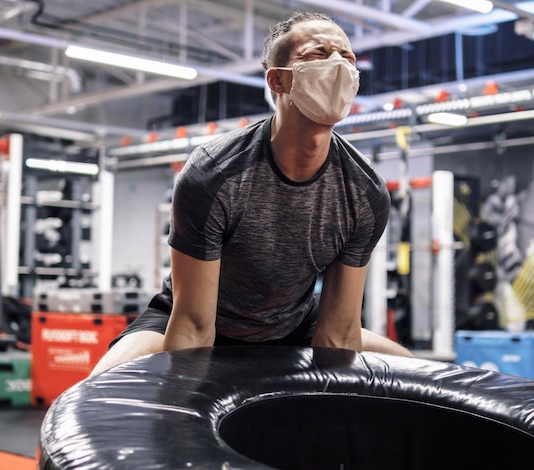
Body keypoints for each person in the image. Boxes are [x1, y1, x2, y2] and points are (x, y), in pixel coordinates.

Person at [91, 11, 412, 376]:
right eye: (318, 54)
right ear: (278, 81)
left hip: (293, 324)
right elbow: (195, 325)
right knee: (91, 395)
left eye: (348, 58)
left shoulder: (364, 192)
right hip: (193, 316)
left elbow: (337, 333)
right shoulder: (214, 173)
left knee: (417, 371)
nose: (338, 65)